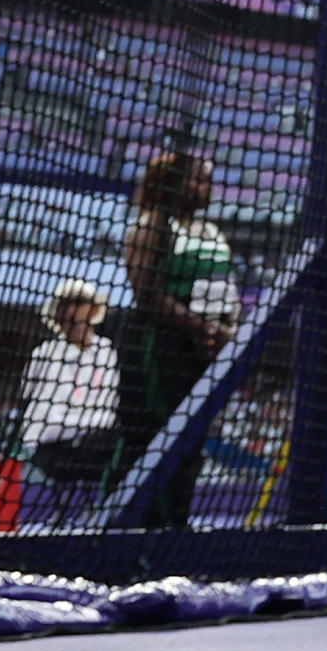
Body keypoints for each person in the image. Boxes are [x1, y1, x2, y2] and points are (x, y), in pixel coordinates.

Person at [118, 149, 235, 531]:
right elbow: (147, 294)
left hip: (203, 351)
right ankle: (141, 529)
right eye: (196, 180)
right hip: (159, 350)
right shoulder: (154, 225)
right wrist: (203, 328)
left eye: (208, 181)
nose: (205, 188)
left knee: (191, 444)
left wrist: (228, 330)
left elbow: (227, 291)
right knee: (159, 437)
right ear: (172, 183)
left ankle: (175, 527)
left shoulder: (213, 231)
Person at [17, 281, 123, 521]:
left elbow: (111, 402)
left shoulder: (107, 353)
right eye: (66, 305)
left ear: (94, 310)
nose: (72, 312)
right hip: (54, 448)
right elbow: (46, 417)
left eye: (79, 303)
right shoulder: (45, 356)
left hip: (99, 442)